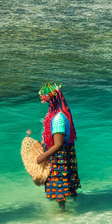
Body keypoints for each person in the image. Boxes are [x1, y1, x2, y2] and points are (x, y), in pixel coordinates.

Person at [35, 82, 80, 210]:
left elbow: (58, 144)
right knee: (66, 184)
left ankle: (62, 212)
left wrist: (42, 157)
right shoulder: (61, 115)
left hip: (59, 158)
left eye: (46, 100)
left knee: (59, 186)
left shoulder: (58, 119)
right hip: (65, 156)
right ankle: (72, 208)